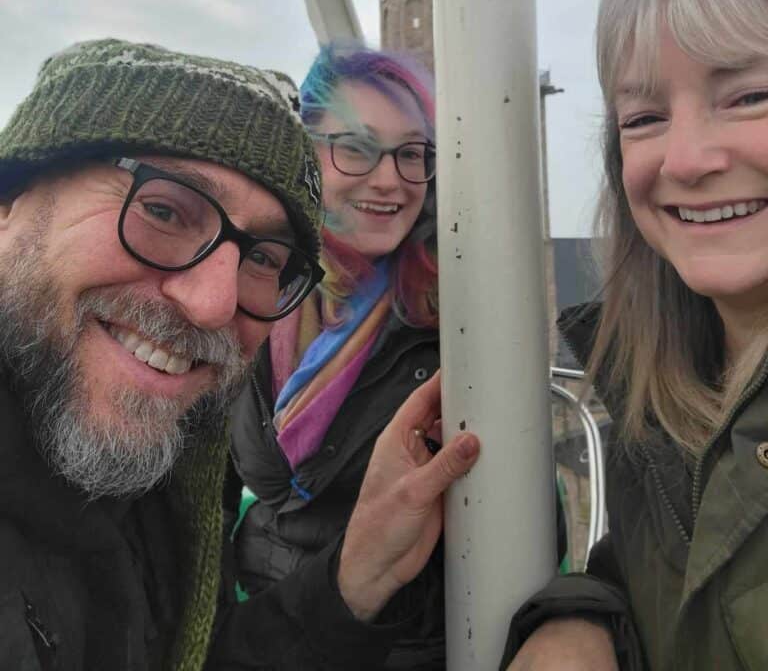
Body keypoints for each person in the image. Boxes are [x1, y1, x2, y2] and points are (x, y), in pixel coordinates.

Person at [0, 37, 479, 671]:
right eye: (164, 210)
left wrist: (356, 572)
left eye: (263, 257)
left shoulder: (156, 489)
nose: (212, 302)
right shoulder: (253, 332)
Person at [503, 0, 768, 671]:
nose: (685, 160)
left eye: (749, 95)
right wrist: (582, 618)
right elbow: (680, 572)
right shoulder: (666, 389)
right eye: (645, 116)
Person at [229, 44, 446, 668]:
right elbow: (206, 493)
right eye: (355, 146)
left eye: (411, 153)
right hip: (257, 629)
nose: (389, 180)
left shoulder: (454, 317)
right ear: (307, 153)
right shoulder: (255, 286)